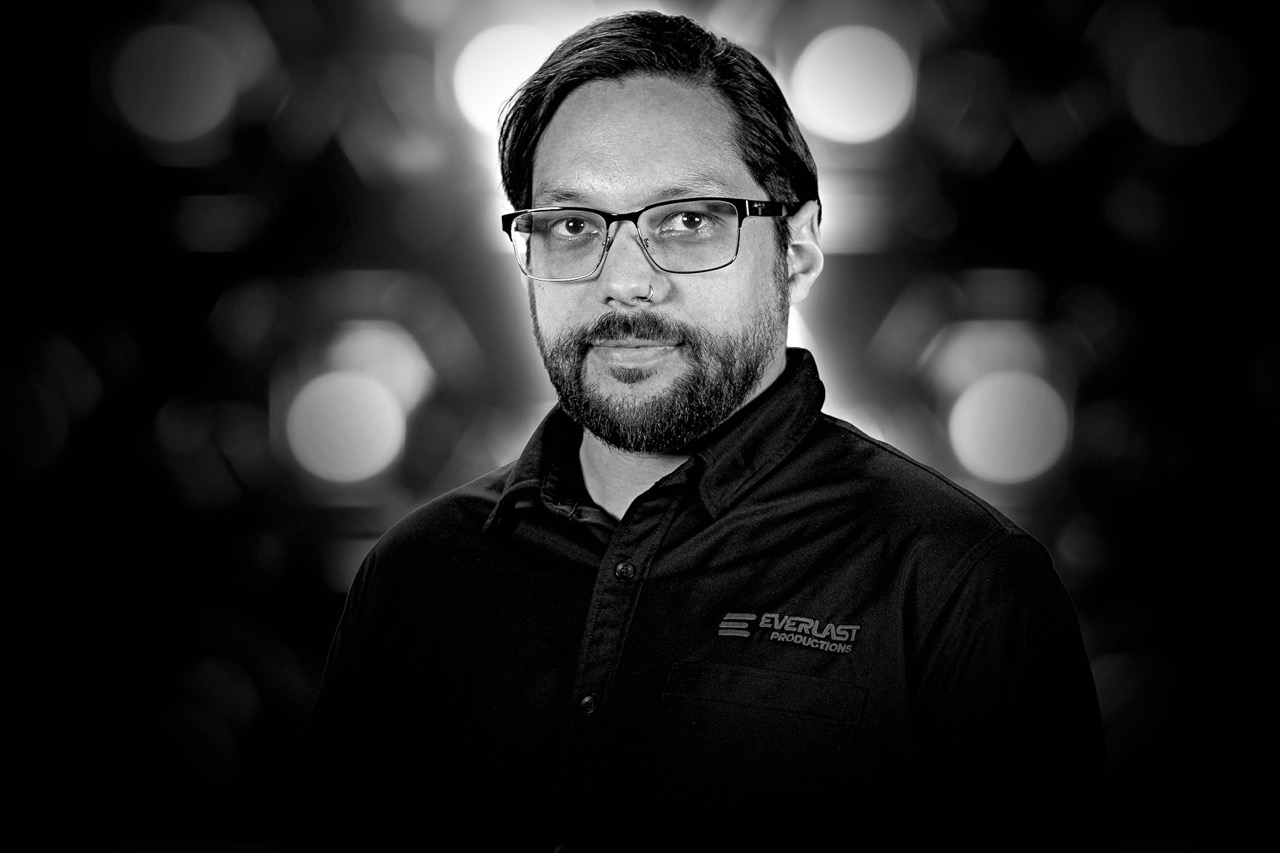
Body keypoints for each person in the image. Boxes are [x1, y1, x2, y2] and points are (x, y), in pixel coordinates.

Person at [302, 10, 1106, 848]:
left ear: (795, 246)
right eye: (574, 225)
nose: (626, 283)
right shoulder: (415, 575)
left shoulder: (958, 585)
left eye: (686, 221)